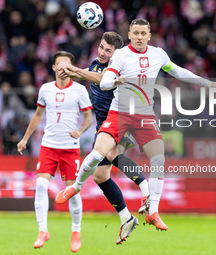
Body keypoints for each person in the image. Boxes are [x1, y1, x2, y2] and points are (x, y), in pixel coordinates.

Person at [56, 18, 216, 240]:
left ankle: (152, 209)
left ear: (149, 35)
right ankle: (80, 189)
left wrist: (208, 83)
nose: (140, 37)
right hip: (119, 114)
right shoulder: (121, 56)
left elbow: (179, 72)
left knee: (157, 159)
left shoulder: (158, 55)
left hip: (143, 115)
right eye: (136, 33)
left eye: (143, 33)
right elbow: (102, 80)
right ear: (130, 34)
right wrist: (102, 77)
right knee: (99, 164)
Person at [57, 32, 150, 215]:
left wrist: (74, 69)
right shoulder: (94, 64)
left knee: (111, 154)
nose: (102, 53)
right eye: (101, 47)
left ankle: (147, 192)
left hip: (121, 120)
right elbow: (92, 75)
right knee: (100, 176)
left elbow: (102, 80)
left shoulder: (118, 68)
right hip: (103, 125)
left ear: (116, 54)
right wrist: (68, 71)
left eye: (108, 51)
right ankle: (126, 219)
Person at [17, 51, 93, 252]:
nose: (63, 68)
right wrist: (25, 139)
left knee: (72, 192)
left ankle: (75, 232)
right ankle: (43, 230)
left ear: (72, 68)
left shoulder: (79, 90)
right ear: (53, 67)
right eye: (59, 65)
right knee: (41, 184)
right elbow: (38, 115)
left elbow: (88, 119)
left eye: (67, 65)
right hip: (49, 146)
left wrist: (79, 131)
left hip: (70, 149)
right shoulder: (45, 89)